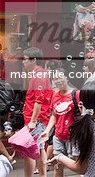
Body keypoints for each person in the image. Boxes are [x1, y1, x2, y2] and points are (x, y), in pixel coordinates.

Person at [41, 68, 80, 177]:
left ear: (67, 78)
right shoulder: (55, 95)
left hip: (73, 136)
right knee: (57, 165)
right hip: (58, 136)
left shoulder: (76, 94)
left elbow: (83, 114)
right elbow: (54, 115)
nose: (57, 81)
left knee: (77, 164)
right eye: (55, 79)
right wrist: (47, 131)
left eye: (60, 78)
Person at [22, 47, 53, 177]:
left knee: (29, 150)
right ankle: (42, 175)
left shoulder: (39, 75)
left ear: (33, 60)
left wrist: (33, 121)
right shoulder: (38, 74)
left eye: (25, 59)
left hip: (36, 119)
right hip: (38, 119)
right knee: (40, 149)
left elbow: (38, 100)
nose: (23, 62)